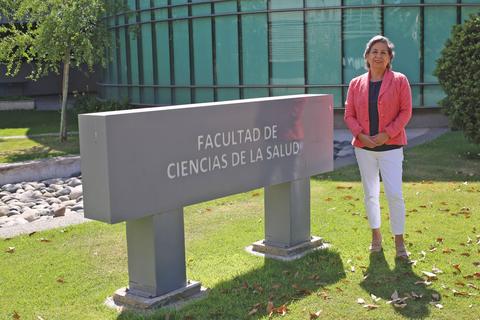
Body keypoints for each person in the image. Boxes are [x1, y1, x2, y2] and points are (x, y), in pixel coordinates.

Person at [344, 35, 412, 260]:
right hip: (364, 149)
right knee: (370, 194)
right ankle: (376, 237)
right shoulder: (356, 83)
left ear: (390, 57)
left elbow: (406, 112)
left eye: (384, 52)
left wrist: (387, 134)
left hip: (391, 147)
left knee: (394, 194)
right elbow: (349, 114)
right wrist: (361, 135)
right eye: (374, 51)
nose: (378, 55)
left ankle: (399, 241)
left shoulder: (400, 80)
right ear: (366, 56)